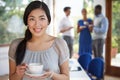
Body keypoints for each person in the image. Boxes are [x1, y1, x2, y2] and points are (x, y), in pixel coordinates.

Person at [9, 1, 69, 80]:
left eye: (42, 18)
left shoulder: (60, 44)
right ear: (27, 22)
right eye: (32, 19)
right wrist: (18, 74)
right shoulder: (15, 45)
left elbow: (66, 78)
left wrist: (52, 75)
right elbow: (11, 78)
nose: (37, 24)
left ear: (48, 21)